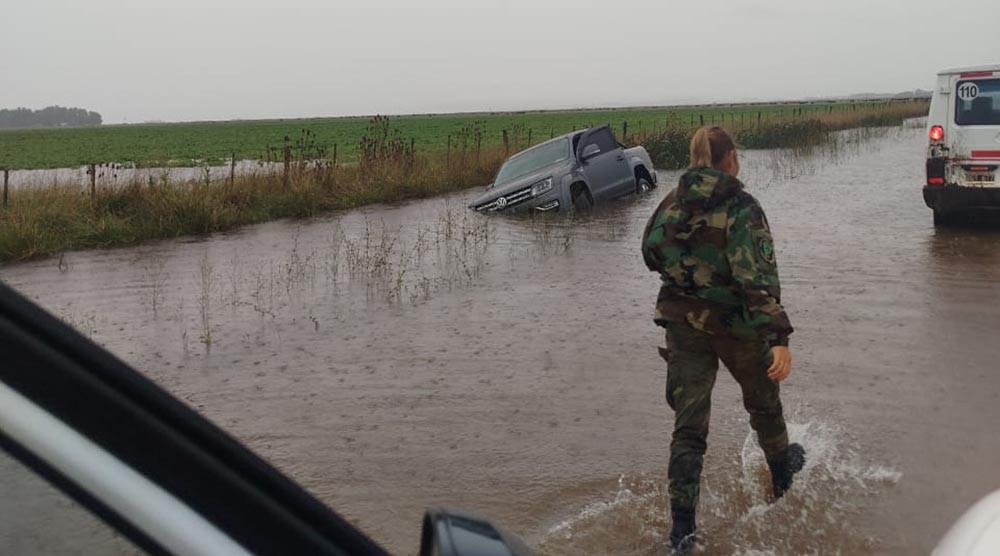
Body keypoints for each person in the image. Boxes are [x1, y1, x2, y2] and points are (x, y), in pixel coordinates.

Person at [641, 126, 805, 551]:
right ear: (729, 156)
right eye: (737, 154)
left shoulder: (670, 202)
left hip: (683, 326)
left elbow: (650, 252)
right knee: (764, 408)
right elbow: (758, 278)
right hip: (738, 327)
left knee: (688, 431)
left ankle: (682, 533)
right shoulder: (741, 206)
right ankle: (784, 491)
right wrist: (779, 337)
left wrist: (689, 270)